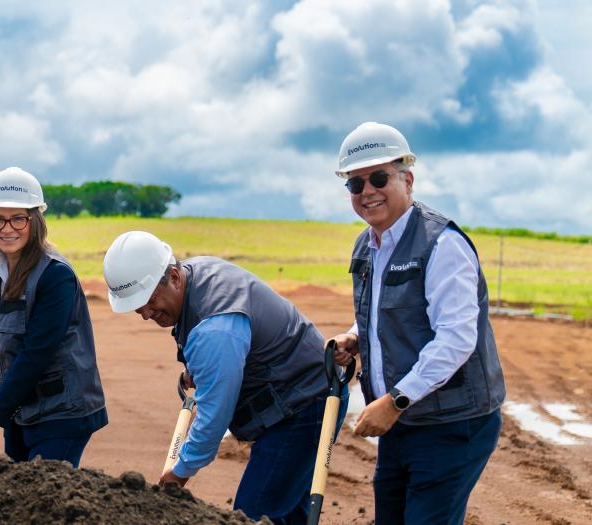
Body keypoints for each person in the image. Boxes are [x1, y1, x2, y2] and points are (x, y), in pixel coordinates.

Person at [102, 230, 346, 525]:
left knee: (253, 515)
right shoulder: (195, 274)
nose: (145, 314)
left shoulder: (214, 327)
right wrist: (199, 371)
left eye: (150, 301)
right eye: (137, 307)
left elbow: (213, 417)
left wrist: (177, 475)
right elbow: (228, 353)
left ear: (175, 278)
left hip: (304, 406)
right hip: (299, 392)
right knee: (284, 510)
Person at [329, 122, 505, 524]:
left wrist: (394, 402)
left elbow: (456, 339)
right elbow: (380, 310)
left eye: (378, 178)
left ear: (407, 179)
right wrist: (354, 337)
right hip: (404, 420)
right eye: (356, 184)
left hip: (452, 423)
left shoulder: (442, 244)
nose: (367, 191)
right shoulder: (368, 244)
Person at [0, 167, 108, 469]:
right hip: (22, 409)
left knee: (46, 504)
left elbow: (37, 352)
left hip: (61, 413)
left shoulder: (55, 275)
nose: (7, 228)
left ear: (35, 221)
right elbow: (14, 338)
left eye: (19, 218)